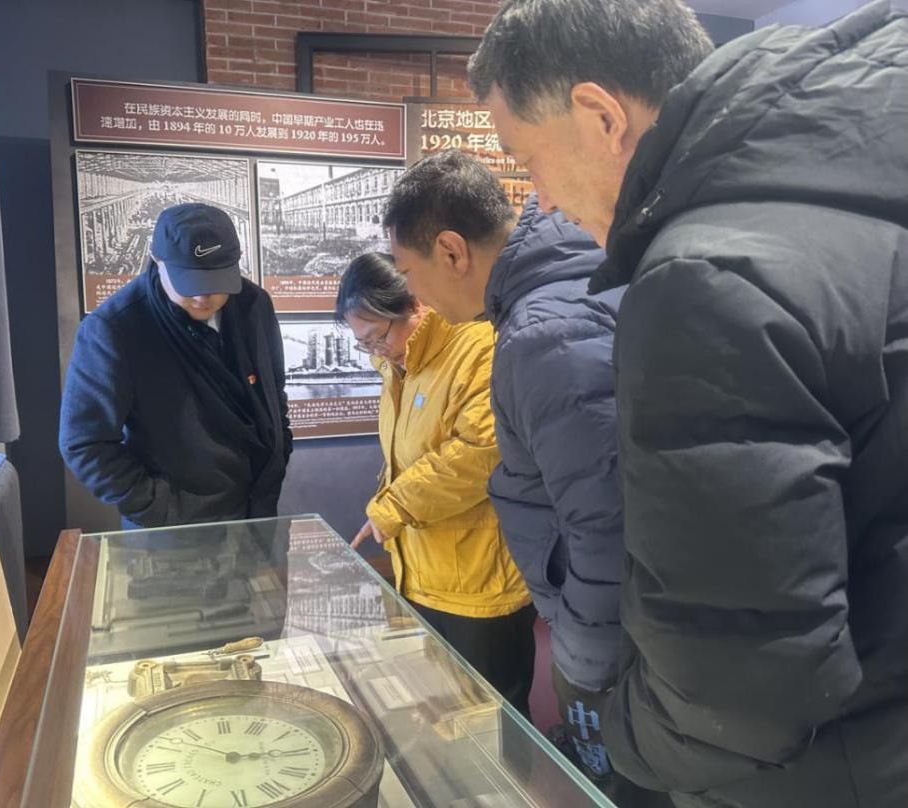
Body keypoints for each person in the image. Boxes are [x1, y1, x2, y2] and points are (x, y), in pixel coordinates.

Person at [469, 2, 908, 807]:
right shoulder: (855, 199)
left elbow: (736, 692)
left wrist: (616, 738)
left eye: (527, 160)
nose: (545, 201)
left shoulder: (704, 279)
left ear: (600, 116)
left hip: (822, 771)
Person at [379, 150, 663, 804]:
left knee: (615, 786)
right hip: (633, 622)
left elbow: (603, 524)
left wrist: (580, 670)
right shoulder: (562, 291)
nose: (415, 297)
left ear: (451, 251)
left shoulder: (542, 336)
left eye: (408, 272)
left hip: (614, 639)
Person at [335, 252, 537, 718]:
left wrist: (394, 507)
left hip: (480, 582)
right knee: (440, 712)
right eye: (364, 343)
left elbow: (482, 451)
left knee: (495, 720)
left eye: (378, 336)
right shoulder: (401, 364)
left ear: (414, 304)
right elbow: (405, 457)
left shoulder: (479, 348)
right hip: (423, 571)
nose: (376, 350)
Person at [60, 203, 292, 528]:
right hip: (174, 531)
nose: (203, 297)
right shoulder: (115, 328)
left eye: (216, 280)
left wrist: (280, 448)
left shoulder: (254, 304)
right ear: (157, 261)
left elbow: (274, 391)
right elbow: (84, 443)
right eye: (189, 281)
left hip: (259, 511)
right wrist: (160, 507)